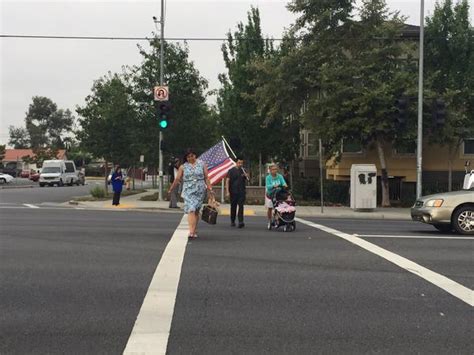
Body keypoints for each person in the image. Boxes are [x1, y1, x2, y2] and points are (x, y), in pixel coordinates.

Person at [167, 149, 213, 240]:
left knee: (196, 211)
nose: (190, 158)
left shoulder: (202, 164)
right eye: (188, 157)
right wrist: (171, 189)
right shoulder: (183, 167)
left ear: (195, 155)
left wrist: (210, 188)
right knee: (191, 209)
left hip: (199, 190)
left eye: (192, 156)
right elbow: (177, 179)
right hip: (188, 190)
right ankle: (191, 232)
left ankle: (194, 229)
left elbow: (206, 178)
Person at [226, 157, 248, 228]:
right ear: (236, 162)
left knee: (241, 206)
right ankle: (232, 221)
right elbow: (227, 181)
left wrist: (246, 175)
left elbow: (248, 179)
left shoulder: (243, 170)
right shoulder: (231, 171)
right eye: (239, 163)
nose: (240, 164)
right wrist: (227, 191)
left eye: (241, 163)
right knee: (233, 206)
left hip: (241, 191)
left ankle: (241, 221)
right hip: (233, 191)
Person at [265, 164, 288, 229]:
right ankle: (269, 220)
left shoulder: (280, 176)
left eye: (276, 169)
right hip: (270, 194)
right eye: (273, 169)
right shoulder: (268, 177)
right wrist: (273, 186)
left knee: (279, 206)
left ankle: (279, 219)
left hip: (279, 193)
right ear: (270, 170)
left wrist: (284, 185)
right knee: (270, 208)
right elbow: (268, 186)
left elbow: (283, 183)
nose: (275, 171)